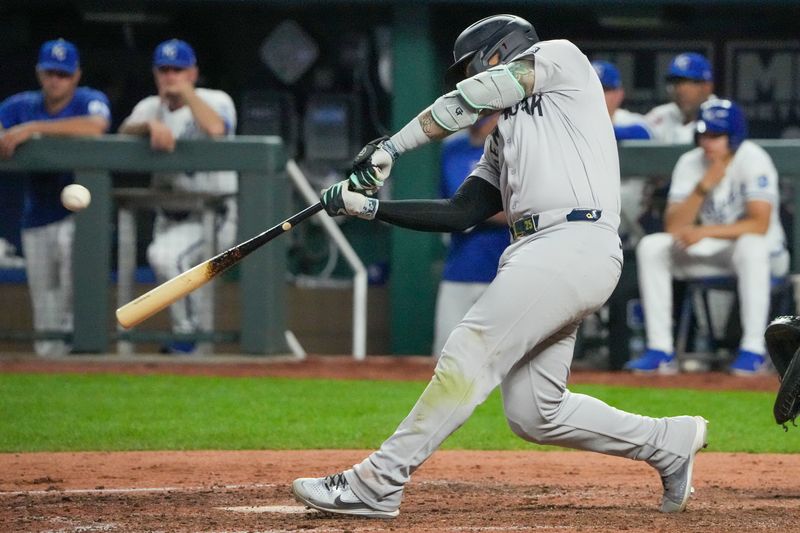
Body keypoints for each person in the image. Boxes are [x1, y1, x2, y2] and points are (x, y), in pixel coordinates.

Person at [292, 14, 708, 518]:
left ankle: (378, 482)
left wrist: (392, 146)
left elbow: (479, 95)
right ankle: (667, 441)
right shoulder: (503, 137)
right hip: (541, 252)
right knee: (536, 412)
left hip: (573, 240)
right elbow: (461, 212)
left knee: (471, 348)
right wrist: (371, 209)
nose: (467, 78)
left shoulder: (562, 59)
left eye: (472, 66)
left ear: (501, 50)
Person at [624, 99, 788, 376]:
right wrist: (703, 186)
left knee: (752, 247)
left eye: (715, 136)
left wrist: (704, 231)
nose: (707, 142)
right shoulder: (691, 163)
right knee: (653, 247)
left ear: (733, 137)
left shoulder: (754, 159)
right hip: (718, 250)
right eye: (703, 135)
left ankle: (753, 350)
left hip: (765, 254)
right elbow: (674, 225)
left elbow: (759, 224)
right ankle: (660, 350)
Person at [118, 39, 237, 354]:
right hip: (168, 215)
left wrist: (186, 93)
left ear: (193, 72)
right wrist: (147, 127)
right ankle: (194, 352)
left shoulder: (215, 100)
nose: (171, 76)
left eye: (179, 70)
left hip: (212, 215)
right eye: (165, 70)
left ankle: (188, 335)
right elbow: (121, 134)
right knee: (182, 273)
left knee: (166, 257)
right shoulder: (149, 108)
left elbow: (217, 129)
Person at [0, 39, 111, 356]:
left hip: (78, 216)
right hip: (37, 214)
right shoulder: (20, 104)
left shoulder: (89, 100)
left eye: (62, 74)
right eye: (50, 73)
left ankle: (77, 355)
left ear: (76, 75)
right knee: (44, 299)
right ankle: (48, 360)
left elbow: (96, 126)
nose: (55, 80)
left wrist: (32, 129)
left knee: (71, 291)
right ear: (39, 73)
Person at [432, 113, 507, 358]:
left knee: (502, 358)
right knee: (446, 354)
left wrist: (476, 211)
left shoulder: (515, 150)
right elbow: (457, 209)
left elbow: (523, 208)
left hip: (506, 269)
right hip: (460, 267)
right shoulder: (454, 149)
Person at [645, 52, 715, 144]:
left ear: (707, 87)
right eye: (675, 83)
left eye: (687, 83)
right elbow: (640, 129)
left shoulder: (721, 116)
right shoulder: (664, 113)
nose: (679, 90)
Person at [591, 59, 652, 141]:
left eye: (604, 90)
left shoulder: (629, 120)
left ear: (619, 94)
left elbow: (644, 133)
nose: (594, 94)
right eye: (590, 89)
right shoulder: (572, 119)